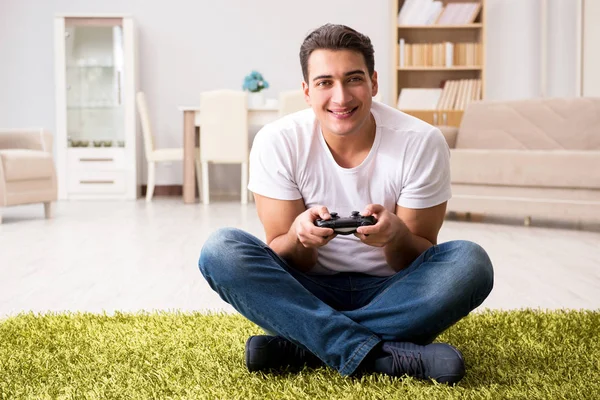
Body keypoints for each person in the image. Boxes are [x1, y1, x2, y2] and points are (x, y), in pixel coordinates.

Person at [198, 23, 494, 385]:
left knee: (470, 263)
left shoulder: (421, 142)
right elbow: (282, 253)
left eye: (353, 79)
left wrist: (396, 236)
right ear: (307, 91)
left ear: (373, 82)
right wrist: (300, 236)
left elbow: (417, 257)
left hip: (395, 289)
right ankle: (383, 353)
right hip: (307, 289)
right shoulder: (277, 142)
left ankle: (305, 346)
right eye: (325, 83)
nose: (341, 97)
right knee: (220, 250)